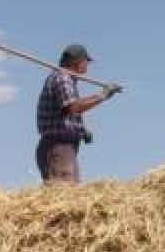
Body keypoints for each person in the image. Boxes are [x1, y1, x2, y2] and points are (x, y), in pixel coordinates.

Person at [34, 43, 119, 182]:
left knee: (67, 193)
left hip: (58, 147)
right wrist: (103, 95)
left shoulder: (64, 78)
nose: (87, 66)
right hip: (58, 148)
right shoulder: (63, 78)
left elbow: (68, 113)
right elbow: (72, 107)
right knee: (65, 193)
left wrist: (82, 131)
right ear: (75, 61)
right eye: (86, 61)